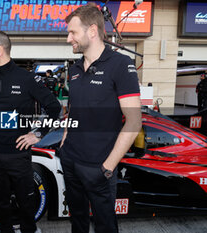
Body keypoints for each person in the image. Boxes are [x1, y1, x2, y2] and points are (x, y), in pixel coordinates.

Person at [60, 3, 142, 233]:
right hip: (70, 161)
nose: (69, 39)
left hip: (100, 167)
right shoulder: (74, 69)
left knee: (105, 226)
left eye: (73, 32)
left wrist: (107, 167)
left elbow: (134, 122)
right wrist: (65, 142)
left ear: (92, 31)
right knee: (77, 221)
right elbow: (72, 111)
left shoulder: (121, 65)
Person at [0, 31, 60, 233]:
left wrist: (37, 134)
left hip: (19, 155)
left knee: (26, 203)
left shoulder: (27, 79)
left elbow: (54, 108)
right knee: (1, 203)